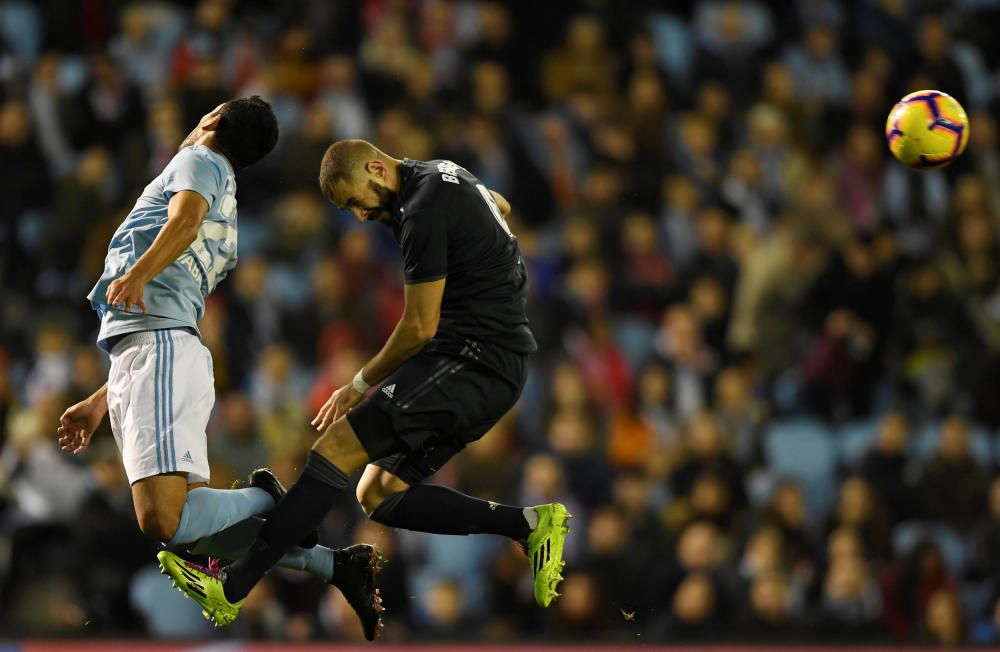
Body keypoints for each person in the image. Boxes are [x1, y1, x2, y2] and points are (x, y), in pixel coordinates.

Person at [158, 139, 570, 630]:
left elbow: (418, 327)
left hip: (474, 359)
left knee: (335, 448)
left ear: (376, 167)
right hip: (491, 364)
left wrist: (357, 383)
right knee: (377, 493)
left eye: (355, 201)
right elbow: (495, 204)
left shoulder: (420, 208)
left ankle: (232, 587)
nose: (357, 217)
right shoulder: (439, 175)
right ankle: (527, 525)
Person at [55, 100, 383, 639]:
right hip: (153, 351)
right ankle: (334, 565)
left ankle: (268, 497)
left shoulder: (199, 161)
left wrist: (137, 274)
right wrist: (100, 399)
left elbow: (183, 223)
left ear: (211, 122)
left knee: (164, 520)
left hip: (160, 350)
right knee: (187, 530)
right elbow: (173, 296)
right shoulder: (226, 205)